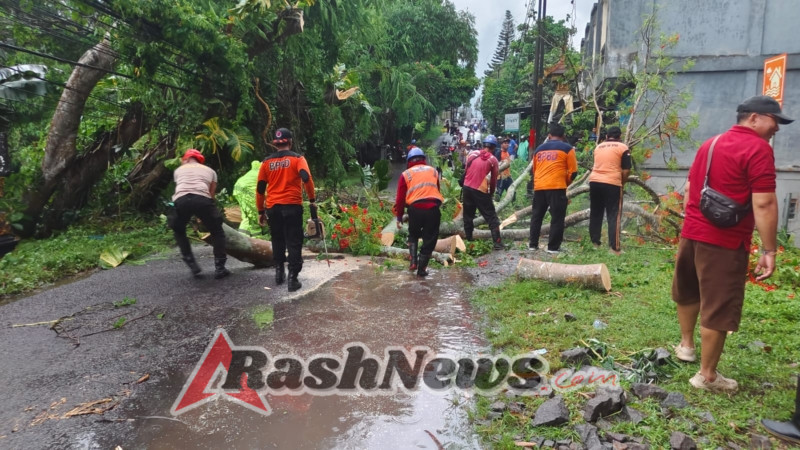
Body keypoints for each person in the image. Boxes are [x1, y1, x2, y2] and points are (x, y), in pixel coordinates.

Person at [672, 96, 792, 392]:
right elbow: (763, 203)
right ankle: (708, 376)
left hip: (692, 233)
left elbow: (690, 190)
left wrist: (693, 223)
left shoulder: (709, 144)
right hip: (723, 241)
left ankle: (686, 346)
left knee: (688, 290)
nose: (777, 127)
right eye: (774, 120)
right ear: (753, 118)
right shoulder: (758, 148)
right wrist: (769, 250)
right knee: (718, 304)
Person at [256, 128, 316, 292]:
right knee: (294, 241)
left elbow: (260, 188)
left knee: (277, 239)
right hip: (292, 206)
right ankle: (293, 279)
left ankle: (279, 273)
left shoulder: (266, 163)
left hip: (273, 208)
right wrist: (312, 200)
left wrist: (260, 211)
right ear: (290, 142)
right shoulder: (298, 159)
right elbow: (306, 178)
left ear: (275, 144)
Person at [170, 148, 230, 279]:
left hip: (182, 199)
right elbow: (211, 195)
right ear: (200, 161)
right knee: (217, 232)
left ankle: (191, 263)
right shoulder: (210, 171)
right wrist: (203, 215)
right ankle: (220, 267)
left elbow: (183, 188)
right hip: (202, 199)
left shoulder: (178, 171)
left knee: (179, 230)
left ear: (185, 159)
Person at [529, 123, 578, 254]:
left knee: (536, 216)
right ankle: (553, 248)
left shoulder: (539, 149)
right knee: (557, 217)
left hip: (539, 187)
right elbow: (573, 172)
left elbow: (534, 170)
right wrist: (565, 183)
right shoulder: (568, 149)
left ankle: (533, 245)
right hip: (557, 186)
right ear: (564, 136)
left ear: (549, 136)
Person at [393, 148, 444, 277]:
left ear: (409, 161)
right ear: (424, 159)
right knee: (430, 238)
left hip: (415, 210)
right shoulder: (433, 171)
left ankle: (413, 262)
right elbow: (436, 190)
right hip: (432, 209)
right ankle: (422, 269)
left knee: (413, 234)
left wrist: (399, 217)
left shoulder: (406, 174)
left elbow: (399, 199)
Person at [588, 126, 631, 254]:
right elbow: (626, 169)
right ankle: (614, 248)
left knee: (596, 213)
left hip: (594, 182)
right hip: (612, 183)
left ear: (606, 136)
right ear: (620, 137)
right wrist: (621, 183)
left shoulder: (598, 147)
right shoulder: (623, 147)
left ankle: (594, 243)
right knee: (614, 215)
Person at [462, 135, 503, 250]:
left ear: (483, 145)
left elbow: (466, 171)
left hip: (466, 187)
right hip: (480, 190)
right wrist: (490, 193)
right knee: (491, 217)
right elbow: (494, 179)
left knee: (468, 215)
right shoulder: (493, 160)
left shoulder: (472, 154)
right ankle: (498, 243)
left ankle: (468, 240)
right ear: (494, 147)